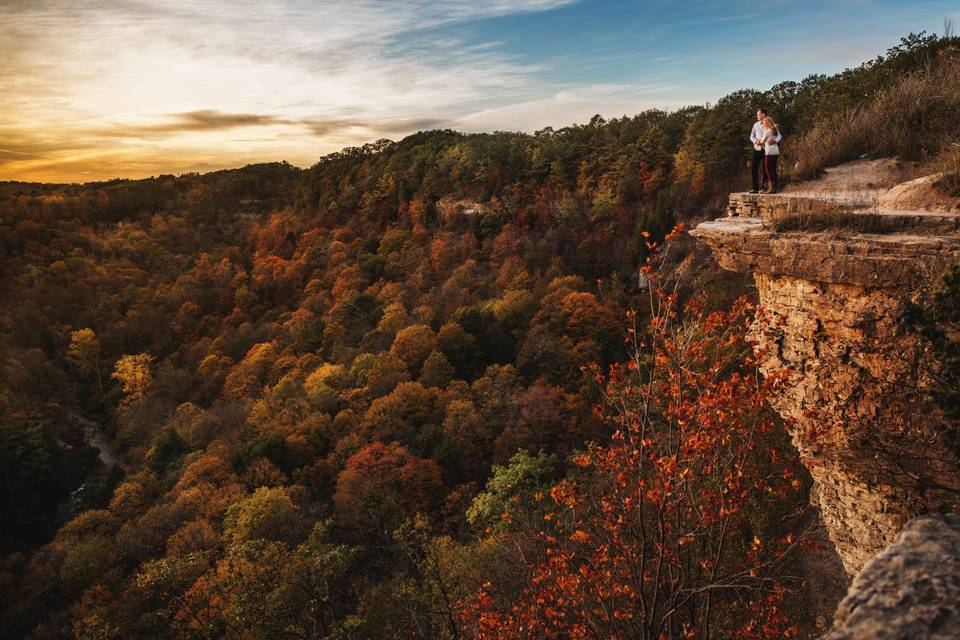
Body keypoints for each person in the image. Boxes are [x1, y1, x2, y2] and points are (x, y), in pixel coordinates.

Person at [749, 108, 781, 193]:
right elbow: (751, 136)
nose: (757, 116)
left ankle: (765, 187)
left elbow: (779, 136)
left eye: (758, 114)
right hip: (757, 148)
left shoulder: (770, 125)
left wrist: (775, 141)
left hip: (767, 149)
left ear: (763, 114)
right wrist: (755, 141)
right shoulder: (755, 125)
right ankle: (754, 188)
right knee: (754, 168)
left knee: (766, 169)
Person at [759, 116, 780, 193]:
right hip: (776, 151)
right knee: (773, 169)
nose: (763, 124)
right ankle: (775, 187)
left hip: (769, 153)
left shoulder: (767, 131)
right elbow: (778, 138)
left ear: (767, 123)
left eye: (764, 122)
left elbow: (761, 142)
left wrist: (757, 142)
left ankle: (772, 188)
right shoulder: (775, 130)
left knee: (768, 169)